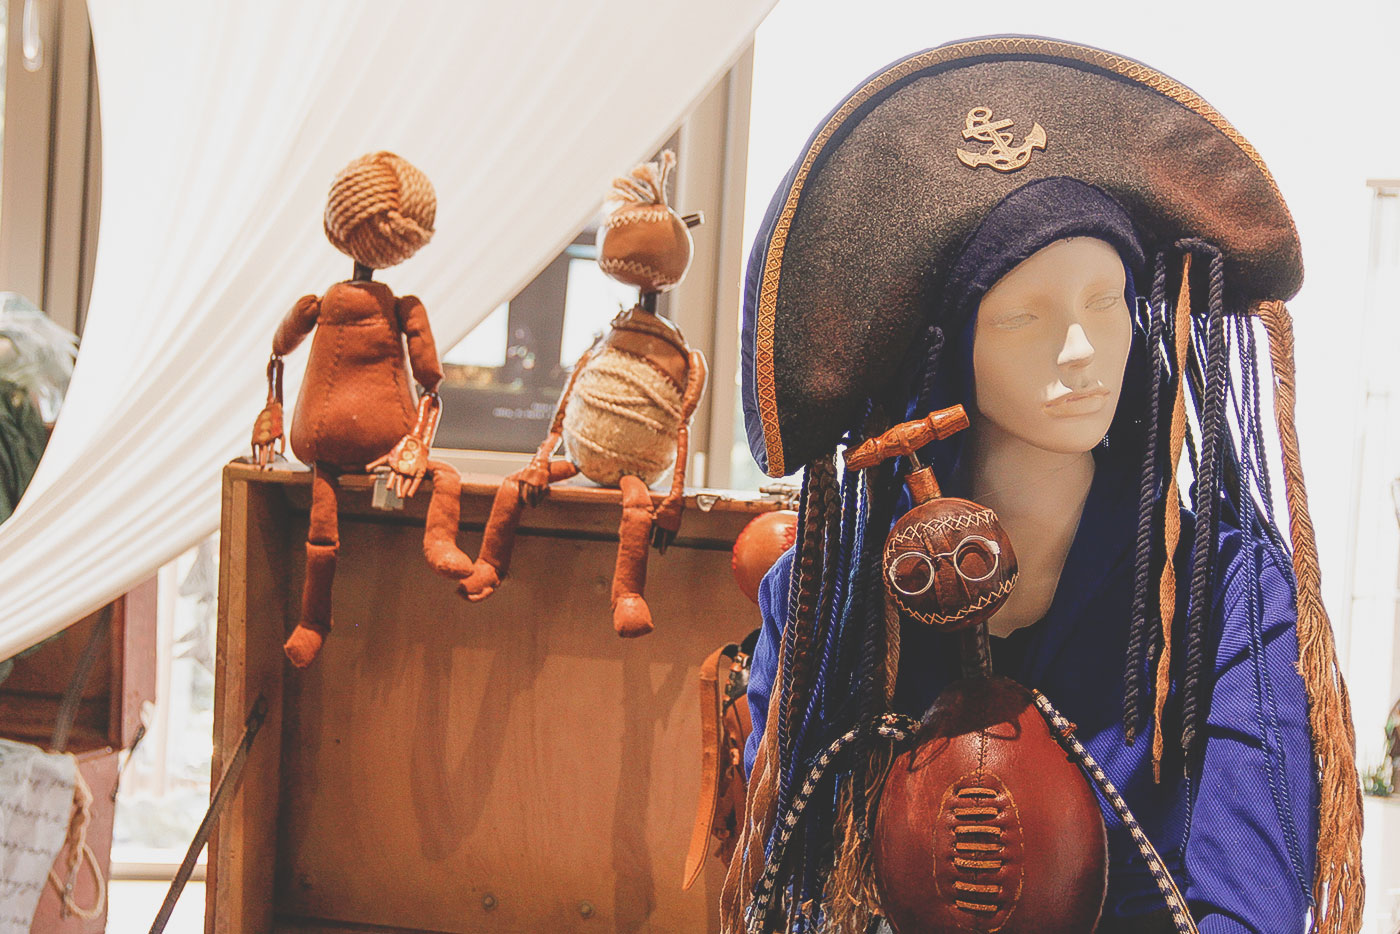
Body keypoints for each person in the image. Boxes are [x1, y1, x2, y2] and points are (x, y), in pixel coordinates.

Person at [724, 38, 1361, 934]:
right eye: (1025, 316)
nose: (1081, 349)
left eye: (1106, 303)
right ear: (950, 351)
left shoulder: (1225, 589)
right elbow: (794, 886)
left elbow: (1250, 902)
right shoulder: (830, 593)